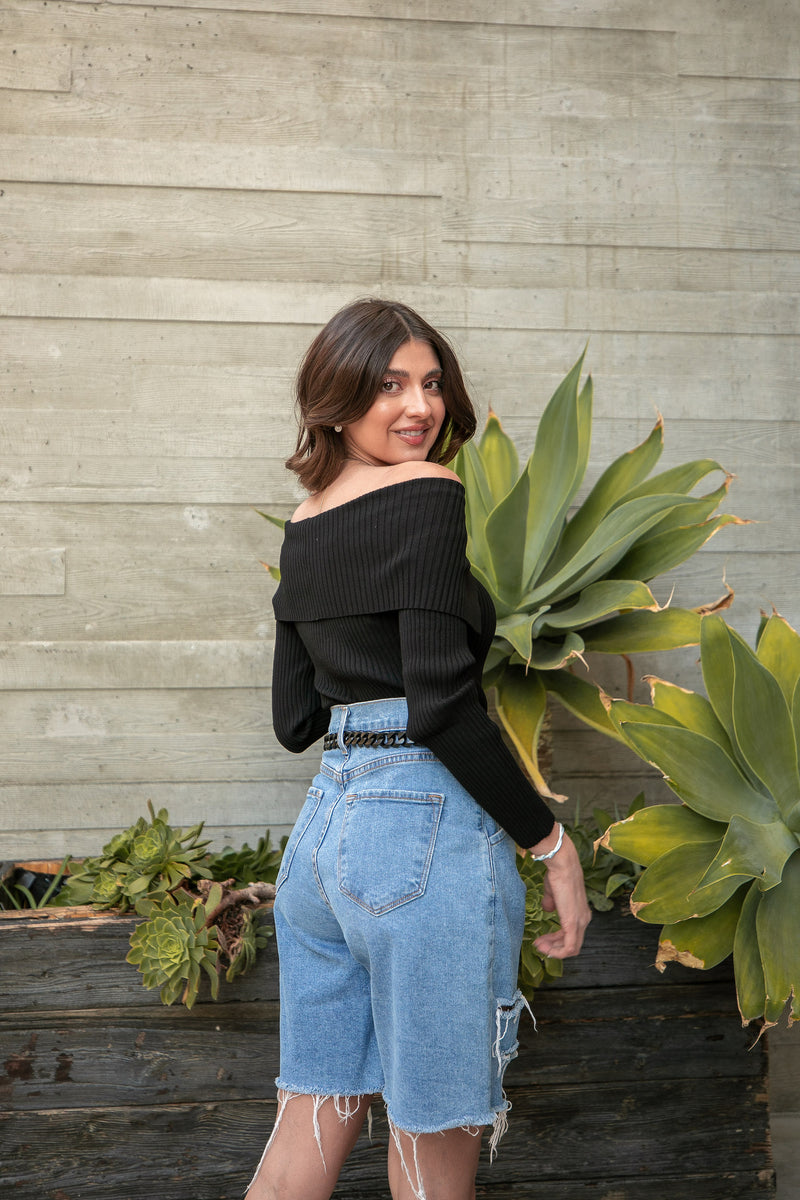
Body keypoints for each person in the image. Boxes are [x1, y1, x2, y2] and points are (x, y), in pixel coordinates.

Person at [246, 298, 590, 1200]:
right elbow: (441, 706)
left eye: (432, 383)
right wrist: (549, 845)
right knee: (431, 1162)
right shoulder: (431, 494)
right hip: (417, 834)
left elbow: (296, 719)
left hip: (321, 843)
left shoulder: (305, 519)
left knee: (305, 1131)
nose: (420, 407)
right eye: (390, 384)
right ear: (337, 397)